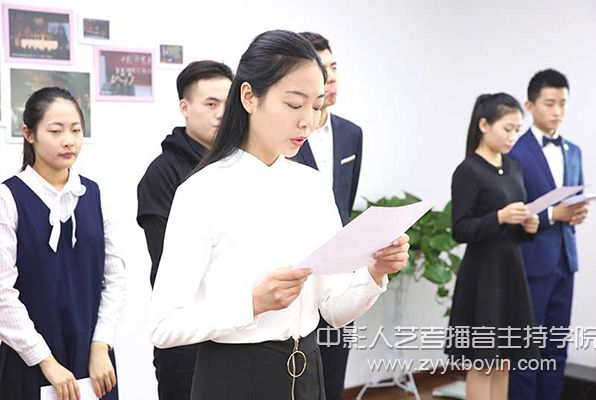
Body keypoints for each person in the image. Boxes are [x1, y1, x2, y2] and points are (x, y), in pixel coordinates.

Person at [150, 30, 410, 400]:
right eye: (294, 104)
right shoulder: (202, 192)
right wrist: (253, 302)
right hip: (234, 379)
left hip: (307, 373)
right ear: (248, 97)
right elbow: (164, 326)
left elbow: (333, 309)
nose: (308, 121)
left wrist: (375, 271)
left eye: (317, 106)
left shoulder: (312, 186)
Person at [0, 87, 126, 399]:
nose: (68, 140)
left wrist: (101, 346)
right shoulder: (8, 198)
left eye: (76, 130)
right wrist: (45, 361)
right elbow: (2, 292)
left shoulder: (94, 194)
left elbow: (115, 277)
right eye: (56, 131)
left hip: (93, 361)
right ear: (29, 134)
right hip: (29, 359)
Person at [137, 60, 233, 400]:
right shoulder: (162, 174)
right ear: (185, 107)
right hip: (185, 337)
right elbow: (170, 263)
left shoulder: (239, 165)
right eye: (211, 103)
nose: (222, 113)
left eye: (228, 103)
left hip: (237, 329)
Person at [445, 93, 540, 400]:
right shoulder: (468, 170)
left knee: (504, 361)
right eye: (507, 129)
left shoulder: (513, 167)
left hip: (511, 272)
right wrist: (499, 217)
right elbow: (460, 229)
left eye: (517, 130)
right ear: (484, 125)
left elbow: (515, 225)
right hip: (483, 277)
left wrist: (528, 226)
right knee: (483, 362)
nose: (513, 136)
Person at [508, 69, 588, 400]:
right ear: (530, 105)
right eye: (550, 103)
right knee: (527, 350)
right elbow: (511, 209)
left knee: (556, 349)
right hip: (531, 260)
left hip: (565, 261)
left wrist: (578, 212)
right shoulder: (515, 151)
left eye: (563, 103)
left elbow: (573, 199)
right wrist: (554, 214)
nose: (557, 111)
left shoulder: (574, 151)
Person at [295, 31, 363, 400]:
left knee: (334, 378)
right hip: (298, 279)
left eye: (334, 67)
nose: (331, 77)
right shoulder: (286, 137)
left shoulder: (352, 134)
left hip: (340, 276)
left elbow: (343, 205)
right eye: (323, 69)